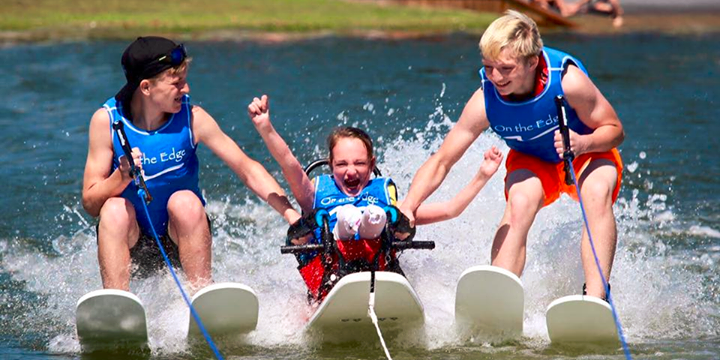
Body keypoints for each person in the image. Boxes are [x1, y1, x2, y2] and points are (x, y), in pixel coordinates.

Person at [399, 10, 624, 301]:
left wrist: (582, 142)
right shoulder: (485, 100)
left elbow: (615, 130)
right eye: (488, 67)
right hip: (533, 160)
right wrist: (408, 206)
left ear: (532, 62)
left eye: (505, 69)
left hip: (586, 151)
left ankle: (596, 298)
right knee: (519, 202)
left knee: (596, 191)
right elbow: (443, 160)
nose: (495, 77)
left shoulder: (568, 82)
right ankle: (498, 298)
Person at [81, 36, 301, 292]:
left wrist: (291, 215)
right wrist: (121, 177)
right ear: (146, 87)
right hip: (132, 242)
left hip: (181, 238)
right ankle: (117, 302)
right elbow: (91, 203)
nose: (186, 90)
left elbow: (247, 169)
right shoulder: (106, 122)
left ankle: (201, 294)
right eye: (177, 83)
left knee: (185, 202)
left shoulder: (193, 118)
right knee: (114, 209)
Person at [247, 95, 503, 301]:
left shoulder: (387, 200)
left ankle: (371, 221)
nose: (350, 171)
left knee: (389, 217)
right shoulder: (312, 195)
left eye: (359, 163)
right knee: (335, 221)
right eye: (342, 164)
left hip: (378, 265)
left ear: (371, 165)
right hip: (327, 275)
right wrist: (265, 128)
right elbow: (288, 162)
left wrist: (482, 175)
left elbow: (450, 210)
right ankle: (347, 224)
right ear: (330, 166)